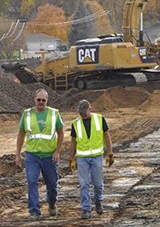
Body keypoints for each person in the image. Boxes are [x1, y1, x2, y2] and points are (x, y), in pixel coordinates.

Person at [16, 88, 64, 219]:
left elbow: (61, 132)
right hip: (32, 156)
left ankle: (52, 203)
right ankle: (34, 211)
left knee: (52, 184)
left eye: (43, 100)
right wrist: (18, 154)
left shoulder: (54, 114)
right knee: (32, 182)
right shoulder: (27, 114)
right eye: (39, 100)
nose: (41, 102)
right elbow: (21, 134)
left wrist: (58, 151)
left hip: (49, 156)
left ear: (47, 100)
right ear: (34, 100)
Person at [69, 100, 113, 219]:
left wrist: (110, 152)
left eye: (84, 113)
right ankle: (86, 209)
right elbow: (73, 142)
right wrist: (71, 158)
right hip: (82, 158)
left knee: (98, 184)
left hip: (97, 157)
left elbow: (107, 135)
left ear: (90, 108)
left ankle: (98, 201)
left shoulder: (100, 119)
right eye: (81, 114)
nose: (83, 116)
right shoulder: (75, 123)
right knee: (84, 184)